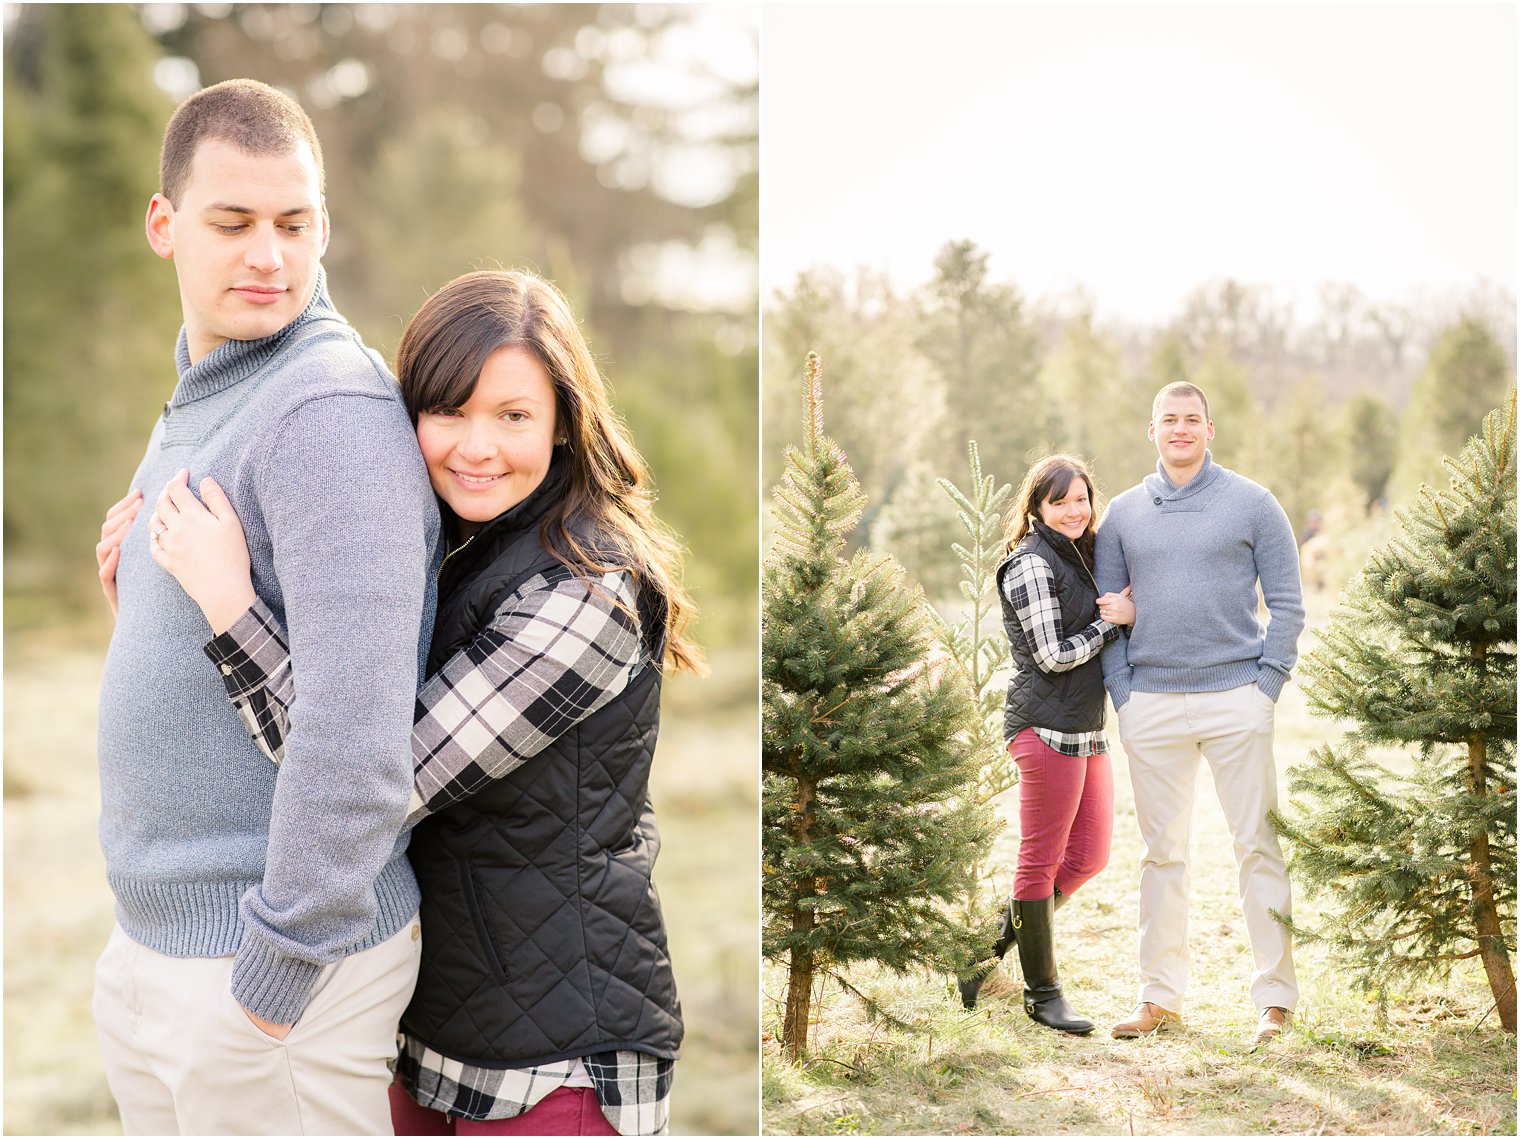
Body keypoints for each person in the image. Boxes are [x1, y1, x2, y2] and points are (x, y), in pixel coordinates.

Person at [118, 269, 700, 1135]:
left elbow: (372, 768)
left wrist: (227, 599)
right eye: (449, 412)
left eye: (513, 415)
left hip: (559, 1056)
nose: (477, 446)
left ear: (565, 425)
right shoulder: (459, 551)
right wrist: (148, 594)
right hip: (434, 1035)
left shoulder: (587, 592)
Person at [91, 79, 439, 1135]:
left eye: (292, 225)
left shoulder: (323, 408)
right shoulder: (213, 387)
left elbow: (358, 731)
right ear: (165, 225)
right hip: (161, 951)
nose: (267, 256)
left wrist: (271, 979)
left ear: (323, 225)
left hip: (265, 965)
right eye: (232, 223)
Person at [1096, 381, 1305, 1045]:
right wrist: (1124, 696)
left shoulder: (1253, 504)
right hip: (1151, 703)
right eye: (1169, 419)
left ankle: (1274, 998)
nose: (1180, 429)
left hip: (1235, 697)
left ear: (1210, 429)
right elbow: (1107, 614)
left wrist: (1265, 686)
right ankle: (1160, 997)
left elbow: (1289, 605)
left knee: (1257, 846)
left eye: (1192, 419)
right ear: (1150, 431)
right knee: (1162, 855)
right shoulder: (1123, 515)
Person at [957, 455, 1134, 1036]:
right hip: (1043, 728)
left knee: (1088, 857)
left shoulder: (1083, 554)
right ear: (1035, 508)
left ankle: (981, 952)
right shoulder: (1029, 564)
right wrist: (1116, 622)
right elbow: (1053, 655)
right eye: (1059, 501)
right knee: (1038, 862)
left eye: (1082, 498)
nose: (1075, 511)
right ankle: (1042, 995)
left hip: (1085, 727)